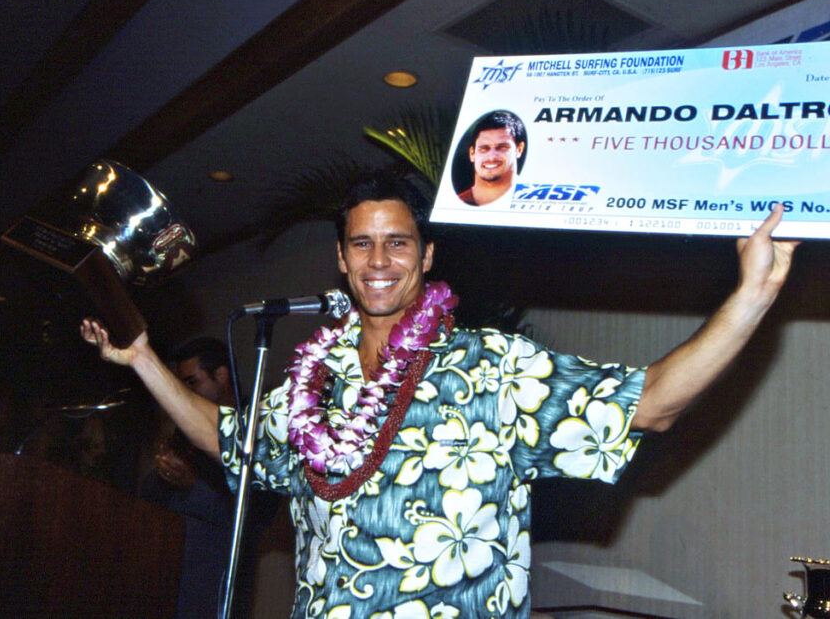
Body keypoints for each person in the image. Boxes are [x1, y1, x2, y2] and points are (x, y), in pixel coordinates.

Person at [82, 172, 797, 618]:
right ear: (340, 258)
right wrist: (142, 356)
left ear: (427, 256)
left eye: (398, 243)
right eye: (361, 244)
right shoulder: (312, 382)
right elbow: (229, 438)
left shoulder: (492, 366)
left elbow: (649, 403)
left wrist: (752, 296)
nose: (379, 260)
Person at [135, 336, 264, 619]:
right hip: (170, 584)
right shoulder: (184, 432)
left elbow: (254, 519)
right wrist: (163, 466)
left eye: (192, 382)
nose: (185, 392)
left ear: (221, 375)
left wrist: (193, 487)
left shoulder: (256, 430)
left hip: (217, 589)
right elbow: (150, 501)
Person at [455, 109, 528, 206]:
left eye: (502, 147)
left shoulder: (535, 200)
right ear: (472, 153)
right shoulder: (454, 203)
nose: (492, 156)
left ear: (519, 149)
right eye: (484, 149)